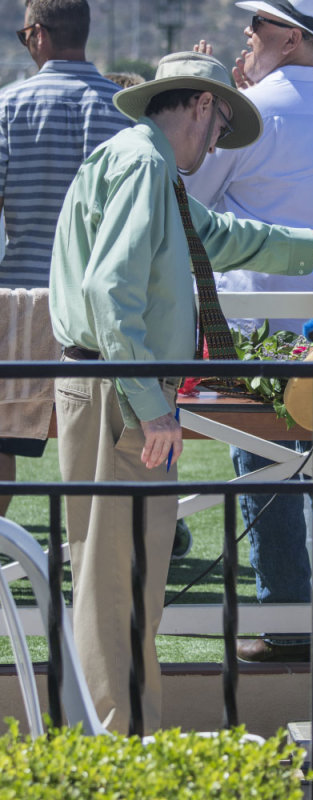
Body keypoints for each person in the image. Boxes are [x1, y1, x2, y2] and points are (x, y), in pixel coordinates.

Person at [49, 50, 313, 734]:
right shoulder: (147, 167)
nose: (216, 148)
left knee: (118, 578)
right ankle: (119, 742)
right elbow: (110, 292)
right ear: (202, 106)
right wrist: (152, 408)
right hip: (120, 393)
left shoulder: (148, 168)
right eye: (221, 126)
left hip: (109, 384)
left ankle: (116, 733)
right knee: (118, 582)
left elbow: (226, 239)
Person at [186, 0, 313, 663]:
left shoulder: (251, 110)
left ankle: (289, 624)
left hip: (259, 334)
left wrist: (228, 104)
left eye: (258, 23)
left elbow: (193, 202)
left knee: (262, 459)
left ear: (290, 37)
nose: (248, 31)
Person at [0, 0, 129, 516]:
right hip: (104, 314)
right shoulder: (124, 111)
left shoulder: (8, 108)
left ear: (36, 35)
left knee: (1, 441)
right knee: (106, 451)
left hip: (20, 309)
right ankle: (104, 566)